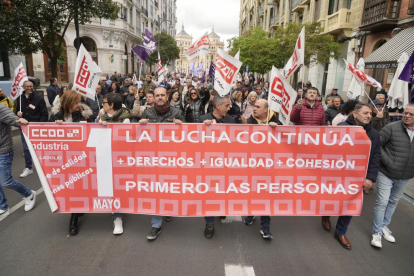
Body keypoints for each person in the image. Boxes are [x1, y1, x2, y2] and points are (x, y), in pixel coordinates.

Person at [322, 103, 380, 250]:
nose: (369, 116)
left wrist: (370, 178)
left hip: (357, 177)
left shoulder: (373, 134)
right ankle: (325, 215)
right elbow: (327, 149)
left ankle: (340, 232)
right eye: (366, 113)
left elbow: (375, 157)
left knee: (350, 204)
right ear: (355, 114)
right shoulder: (341, 128)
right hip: (337, 174)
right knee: (332, 199)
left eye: (370, 114)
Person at [139, 86, 183, 240]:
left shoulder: (177, 113)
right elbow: (137, 135)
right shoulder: (148, 113)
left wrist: (181, 126)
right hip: (153, 159)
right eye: (156, 95)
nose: (159, 98)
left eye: (162, 95)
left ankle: (168, 209)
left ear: (167, 96)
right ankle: (155, 225)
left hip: (171, 158)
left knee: (169, 186)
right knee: (155, 190)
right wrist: (140, 125)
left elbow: (189, 136)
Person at [371, 104, 414, 248]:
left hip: (406, 175)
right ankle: (376, 233)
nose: (407, 116)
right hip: (386, 172)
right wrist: (389, 162)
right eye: (405, 113)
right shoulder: (391, 128)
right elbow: (377, 146)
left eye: (410, 114)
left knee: (393, 201)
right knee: (382, 201)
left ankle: (384, 226)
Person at [49, 91, 92, 234]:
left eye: (80, 102)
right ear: (68, 103)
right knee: (69, 188)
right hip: (63, 161)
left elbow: (92, 132)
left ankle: (73, 219)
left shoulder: (84, 116)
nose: (79, 105)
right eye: (77, 103)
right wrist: (55, 127)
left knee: (78, 187)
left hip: (80, 158)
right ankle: (75, 212)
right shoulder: (55, 117)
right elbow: (46, 137)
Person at [198, 95, 234, 239]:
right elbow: (193, 141)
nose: (229, 108)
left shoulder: (231, 120)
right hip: (208, 165)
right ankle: (210, 223)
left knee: (223, 190)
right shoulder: (203, 119)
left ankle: (221, 208)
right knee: (210, 194)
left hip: (226, 164)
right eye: (227, 105)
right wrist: (203, 129)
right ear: (218, 106)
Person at [243, 99, 280, 239]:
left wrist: (277, 128)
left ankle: (265, 227)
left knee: (266, 196)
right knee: (253, 193)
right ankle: (251, 213)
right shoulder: (249, 121)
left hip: (269, 167)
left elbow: (286, 138)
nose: (254, 109)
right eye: (254, 106)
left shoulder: (275, 121)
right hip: (253, 165)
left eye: (258, 107)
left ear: (266, 110)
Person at [98, 93, 132, 235]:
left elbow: (125, 142)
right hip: (103, 158)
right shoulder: (101, 116)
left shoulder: (125, 121)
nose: (102, 105)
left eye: (104, 102)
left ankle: (117, 217)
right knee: (106, 188)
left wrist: (109, 129)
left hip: (119, 161)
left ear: (111, 105)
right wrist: (99, 125)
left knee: (116, 189)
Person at [0, 105, 36, 219]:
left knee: (6, 181)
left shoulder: (1, 108)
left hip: (3, 150)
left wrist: (19, 120)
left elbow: (13, 119)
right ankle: (3, 206)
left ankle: (29, 194)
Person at [14, 80, 48, 177]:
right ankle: (28, 167)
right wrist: (18, 114)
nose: (29, 88)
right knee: (26, 148)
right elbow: (15, 112)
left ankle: (43, 166)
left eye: (31, 86)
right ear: (23, 87)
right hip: (24, 127)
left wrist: (40, 125)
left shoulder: (39, 99)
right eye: (27, 86)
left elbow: (44, 114)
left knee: (39, 147)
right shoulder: (19, 99)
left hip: (36, 127)